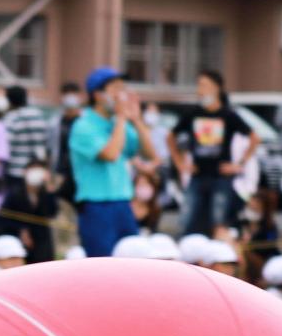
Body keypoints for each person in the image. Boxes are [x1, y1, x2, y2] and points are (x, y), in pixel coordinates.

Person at [68, 67, 157, 257]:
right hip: (96, 205)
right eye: (115, 89)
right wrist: (122, 119)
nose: (121, 95)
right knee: (102, 263)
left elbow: (150, 153)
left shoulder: (118, 123)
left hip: (123, 203)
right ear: (97, 95)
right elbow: (111, 154)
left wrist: (137, 120)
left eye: (123, 88)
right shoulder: (83, 126)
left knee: (133, 261)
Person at [172, 70, 259, 237]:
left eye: (204, 85)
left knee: (218, 221)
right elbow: (171, 136)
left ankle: (216, 258)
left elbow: (254, 138)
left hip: (221, 177)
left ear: (216, 88)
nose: (200, 90)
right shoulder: (193, 114)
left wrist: (239, 165)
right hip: (197, 175)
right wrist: (179, 162)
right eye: (199, 85)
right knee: (186, 220)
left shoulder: (228, 115)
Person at [0, 160, 60, 263]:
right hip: (17, 239)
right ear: (25, 172)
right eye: (33, 170)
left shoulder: (45, 193)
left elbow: (52, 212)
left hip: (41, 241)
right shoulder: (14, 194)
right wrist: (21, 230)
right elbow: (1, 219)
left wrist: (49, 187)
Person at [2, 86, 51, 183]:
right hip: (37, 170)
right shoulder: (39, 115)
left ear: (9, 100)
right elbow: (46, 141)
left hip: (16, 170)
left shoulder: (11, 118)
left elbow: (5, 144)